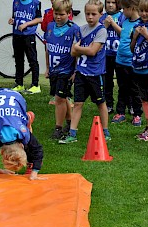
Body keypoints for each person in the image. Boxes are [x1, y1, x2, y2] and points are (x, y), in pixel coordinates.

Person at [59, 0, 111, 144]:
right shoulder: (81, 30)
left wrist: (79, 48)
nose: (90, 17)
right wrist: (77, 55)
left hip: (95, 74)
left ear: (101, 14)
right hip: (81, 73)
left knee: (101, 103)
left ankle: (105, 131)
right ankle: (72, 134)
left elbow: (92, 51)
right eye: (87, 13)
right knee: (78, 104)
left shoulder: (101, 31)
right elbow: (72, 52)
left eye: (94, 14)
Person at [0, 88, 44, 180]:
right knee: (29, 140)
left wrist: (34, 172)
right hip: (4, 97)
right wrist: (1, 171)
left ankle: (27, 119)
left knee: (29, 140)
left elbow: (38, 149)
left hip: (15, 100)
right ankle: (26, 119)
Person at [44, 0, 80, 140]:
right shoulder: (50, 26)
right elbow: (48, 48)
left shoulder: (74, 29)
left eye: (62, 14)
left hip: (66, 70)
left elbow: (77, 51)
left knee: (59, 99)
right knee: (62, 98)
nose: (58, 17)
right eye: (56, 14)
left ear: (69, 14)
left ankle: (58, 128)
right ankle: (70, 122)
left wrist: (75, 70)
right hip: (54, 69)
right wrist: (47, 68)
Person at [130, 0, 148, 141]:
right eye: (141, 10)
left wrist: (147, 36)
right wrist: (135, 37)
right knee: (143, 99)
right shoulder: (136, 26)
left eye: (147, 11)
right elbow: (132, 49)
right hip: (138, 68)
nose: (144, 14)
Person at [113, 0, 143, 126]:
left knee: (134, 90)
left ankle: (137, 114)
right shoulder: (125, 22)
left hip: (132, 63)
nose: (122, 11)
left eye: (124, 9)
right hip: (120, 61)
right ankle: (120, 112)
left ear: (131, 8)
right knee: (122, 88)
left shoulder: (140, 25)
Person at [9, 0, 43, 94]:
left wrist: (26, 24)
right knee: (18, 60)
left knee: (32, 60)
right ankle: (19, 84)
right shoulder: (15, 2)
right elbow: (14, 17)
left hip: (28, 35)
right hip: (17, 34)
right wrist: (12, 21)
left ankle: (35, 85)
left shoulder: (35, 3)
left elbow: (39, 19)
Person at [100, 0, 125, 114]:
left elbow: (124, 34)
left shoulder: (123, 16)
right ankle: (108, 104)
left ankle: (127, 104)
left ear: (118, 4)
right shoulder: (102, 17)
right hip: (106, 54)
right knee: (107, 81)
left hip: (119, 55)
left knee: (123, 82)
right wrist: (105, 25)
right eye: (108, 2)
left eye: (113, 2)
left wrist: (113, 24)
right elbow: (98, 34)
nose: (110, 5)